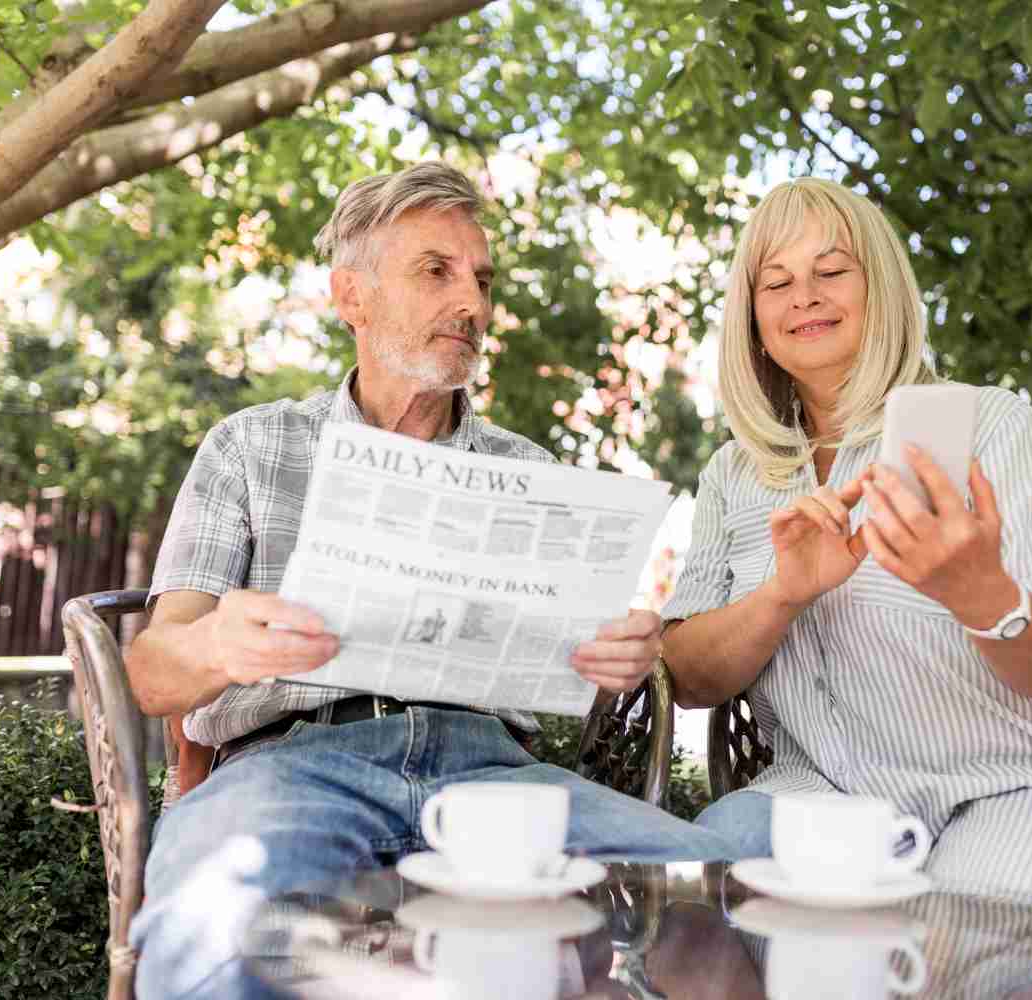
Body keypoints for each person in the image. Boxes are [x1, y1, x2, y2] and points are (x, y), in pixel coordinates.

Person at [124, 162, 733, 1000]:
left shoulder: (530, 469)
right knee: (217, 928)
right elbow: (155, 672)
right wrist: (220, 643)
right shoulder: (251, 446)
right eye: (435, 272)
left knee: (723, 908)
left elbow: (576, 681)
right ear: (352, 298)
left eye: (481, 279)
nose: (472, 304)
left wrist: (617, 659)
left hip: (496, 777)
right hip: (295, 766)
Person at [660, 177, 1032, 924]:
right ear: (752, 318)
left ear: (882, 290)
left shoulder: (988, 426)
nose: (802, 295)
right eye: (775, 281)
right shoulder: (734, 473)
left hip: (1020, 790)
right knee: (686, 912)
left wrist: (979, 591)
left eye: (832, 270)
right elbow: (686, 678)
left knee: (966, 947)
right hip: (824, 797)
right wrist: (781, 594)